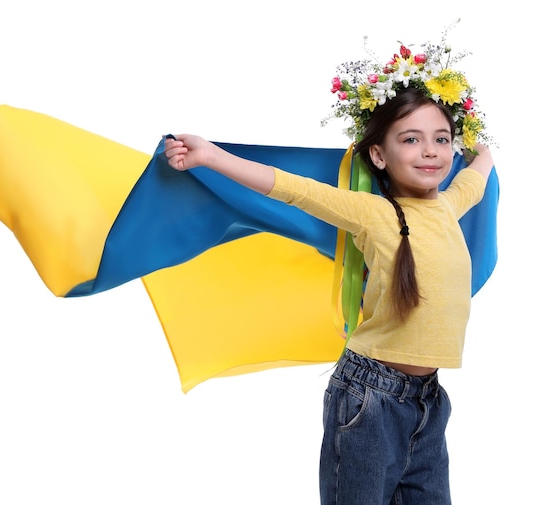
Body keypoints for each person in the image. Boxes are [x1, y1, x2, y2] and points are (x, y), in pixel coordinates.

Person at [164, 39, 495, 505]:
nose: (430, 152)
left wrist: (478, 140)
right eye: (411, 139)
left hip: (429, 401)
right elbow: (293, 190)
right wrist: (211, 155)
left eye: (441, 139)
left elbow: (478, 174)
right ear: (378, 156)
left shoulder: (449, 205)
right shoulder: (374, 213)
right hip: (369, 401)